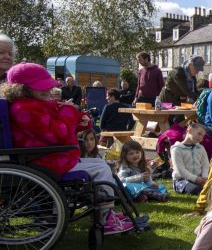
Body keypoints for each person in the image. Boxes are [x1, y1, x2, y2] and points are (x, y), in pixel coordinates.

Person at [1, 63, 135, 235]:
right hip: (45, 161)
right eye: (42, 87)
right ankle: (106, 218)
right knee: (101, 168)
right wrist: (69, 112)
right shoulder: (25, 109)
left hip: (44, 156)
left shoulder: (29, 106)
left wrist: (78, 122)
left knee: (98, 164)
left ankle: (108, 213)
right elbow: (56, 133)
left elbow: (51, 131)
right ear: (22, 89)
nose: (48, 90)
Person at [172, 121, 210, 195]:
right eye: (199, 134)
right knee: (196, 189)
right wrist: (195, 179)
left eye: (202, 136)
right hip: (182, 180)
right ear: (190, 130)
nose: (200, 137)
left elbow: (205, 164)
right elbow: (180, 170)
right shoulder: (177, 149)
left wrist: (205, 177)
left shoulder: (201, 148)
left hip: (199, 178)